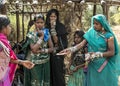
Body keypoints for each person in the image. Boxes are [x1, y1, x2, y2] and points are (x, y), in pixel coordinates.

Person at [59, 14, 119, 86]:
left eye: (97, 24)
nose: (94, 25)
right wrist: (70, 50)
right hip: (93, 65)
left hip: (104, 65)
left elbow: (112, 52)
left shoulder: (109, 36)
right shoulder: (91, 33)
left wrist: (98, 54)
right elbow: (81, 44)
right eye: (93, 23)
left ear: (102, 24)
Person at [0, 15, 34, 86]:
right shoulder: (1, 42)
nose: (10, 28)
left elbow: (8, 58)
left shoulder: (3, 41)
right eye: (9, 26)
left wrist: (22, 62)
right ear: (4, 28)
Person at [23, 14, 53, 86]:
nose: (40, 24)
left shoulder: (47, 33)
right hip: (35, 64)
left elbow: (52, 48)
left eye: (41, 22)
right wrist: (41, 37)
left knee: (45, 82)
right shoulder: (31, 34)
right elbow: (33, 49)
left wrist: (42, 51)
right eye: (38, 22)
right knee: (36, 83)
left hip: (46, 62)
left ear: (44, 23)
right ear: (34, 23)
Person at [45, 9, 68, 86]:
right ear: (48, 17)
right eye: (51, 16)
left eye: (54, 16)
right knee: (49, 74)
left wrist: (53, 29)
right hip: (46, 54)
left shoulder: (61, 27)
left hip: (57, 54)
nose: (53, 18)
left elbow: (57, 42)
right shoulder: (45, 27)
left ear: (57, 17)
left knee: (58, 74)